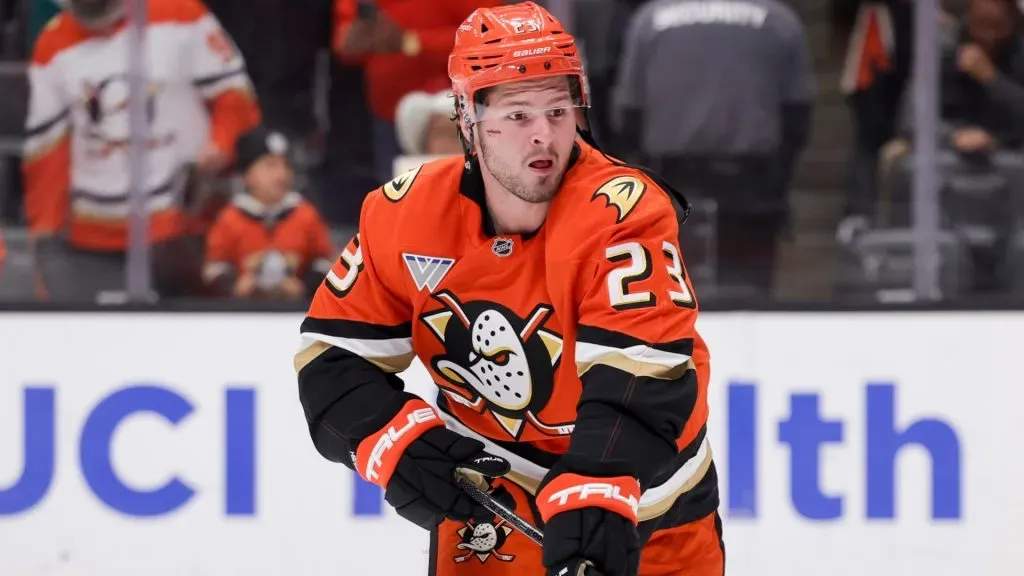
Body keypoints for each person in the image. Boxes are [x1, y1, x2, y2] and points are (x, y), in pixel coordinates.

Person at [294, 3, 722, 576]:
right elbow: (332, 355)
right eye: (518, 115)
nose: (544, 134)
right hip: (490, 504)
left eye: (558, 108)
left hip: (644, 502)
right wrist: (390, 438)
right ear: (468, 120)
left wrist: (594, 488)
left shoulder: (622, 212)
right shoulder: (404, 212)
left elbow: (641, 375)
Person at [203, 126, 336, 300]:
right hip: (241, 317)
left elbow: (325, 261)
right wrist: (234, 287)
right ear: (247, 175)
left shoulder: (305, 215)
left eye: (285, 165)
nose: (281, 174)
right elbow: (214, 269)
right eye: (270, 165)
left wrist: (306, 287)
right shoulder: (229, 219)